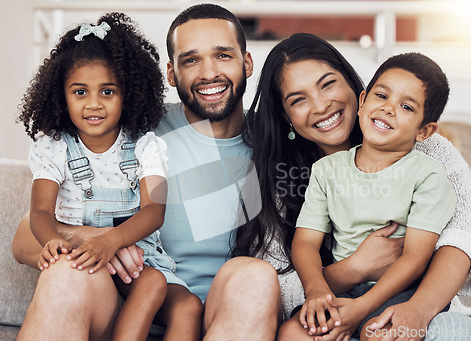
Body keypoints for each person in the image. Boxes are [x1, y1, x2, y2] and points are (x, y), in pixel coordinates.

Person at [12, 4, 281, 340]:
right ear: (171, 73)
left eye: (223, 55)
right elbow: (24, 238)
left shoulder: (276, 147)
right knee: (66, 271)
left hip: (225, 318)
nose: (208, 72)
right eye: (191, 60)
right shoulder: (135, 130)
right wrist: (103, 240)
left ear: (247, 62)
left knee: (255, 277)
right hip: (125, 310)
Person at [236, 33, 471, 341]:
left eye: (328, 84)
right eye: (298, 99)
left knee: (379, 333)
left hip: (415, 299)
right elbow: (279, 287)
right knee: (292, 333)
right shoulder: (311, 173)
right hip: (337, 300)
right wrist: (357, 268)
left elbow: (458, 243)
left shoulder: (428, 157)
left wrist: (416, 310)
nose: (321, 105)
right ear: (285, 116)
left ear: (355, 88)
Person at [15, 12, 205, 341]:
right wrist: (54, 243)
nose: (93, 104)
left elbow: (153, 211)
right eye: (80, 92)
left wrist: (112, 241)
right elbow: (42, 212)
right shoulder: (54, 148)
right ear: (61, 95)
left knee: (176, 297)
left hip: (134, 252)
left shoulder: (147, 147)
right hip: (82, 256)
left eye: (107, 92)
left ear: (127, 94)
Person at [291, 52, 456, 341]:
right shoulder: (326, 170)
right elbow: (305, 241)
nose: (388, 109)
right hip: (341, 290)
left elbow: (416, 257)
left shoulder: (428, 175)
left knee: (375, 334)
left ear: (424, 131)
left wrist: (362, 307)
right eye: (382, 96)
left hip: (403, 291)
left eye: (406, 106)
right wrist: (316, 289)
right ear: (363, 101)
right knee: (292, 333)